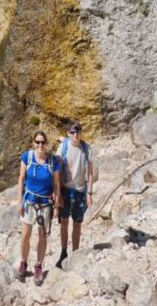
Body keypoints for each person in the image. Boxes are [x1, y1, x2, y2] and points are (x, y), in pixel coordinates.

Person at [16, 130, 60, 285]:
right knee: (25, 236)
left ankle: (39, 266)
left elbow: (56, 184)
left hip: (45, 204)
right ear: (33, 143)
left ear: (46, 143)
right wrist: (19, 201)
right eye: (37, 142)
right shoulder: (26, 157)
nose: (40, 145)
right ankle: (23, 262)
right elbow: (21, 179)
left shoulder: (53, 161)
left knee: (42, 236)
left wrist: (57, 206)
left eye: (43, 142)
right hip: (29, 201)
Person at [56, 119, 96, 268]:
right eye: (72, 132)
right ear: (68, 134)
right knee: (64, 222)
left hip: (80, 191)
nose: (75, 134)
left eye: (78, 131)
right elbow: (56, 171)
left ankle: (76, 253)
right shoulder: (63, 147)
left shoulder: (87, 148)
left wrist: (90, 194)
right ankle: (64, 252)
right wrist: (57, 194)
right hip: (66, 190)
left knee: (77, 224)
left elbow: (91, 173)